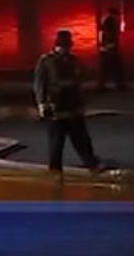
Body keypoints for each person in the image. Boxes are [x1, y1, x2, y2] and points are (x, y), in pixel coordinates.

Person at [33, 29, 103, 175]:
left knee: (82, 139)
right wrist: (41, 104)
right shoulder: (46, 61)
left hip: (73, 106)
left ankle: (92, 163)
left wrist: (82, 102)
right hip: (56, 107)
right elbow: (39, 84)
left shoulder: (73, 61)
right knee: (56, 142)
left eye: (67, 47)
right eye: (63, 47)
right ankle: (55, 169)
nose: (65, 50)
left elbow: (79, 81)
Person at [96, 8, 126, 91]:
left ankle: (103, 84)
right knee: (113, 65)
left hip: (107, 46)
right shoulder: (110, 22)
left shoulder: (107, 21)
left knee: (107, 66)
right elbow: (110, 35)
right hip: (109, 46)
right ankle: (118, 83)